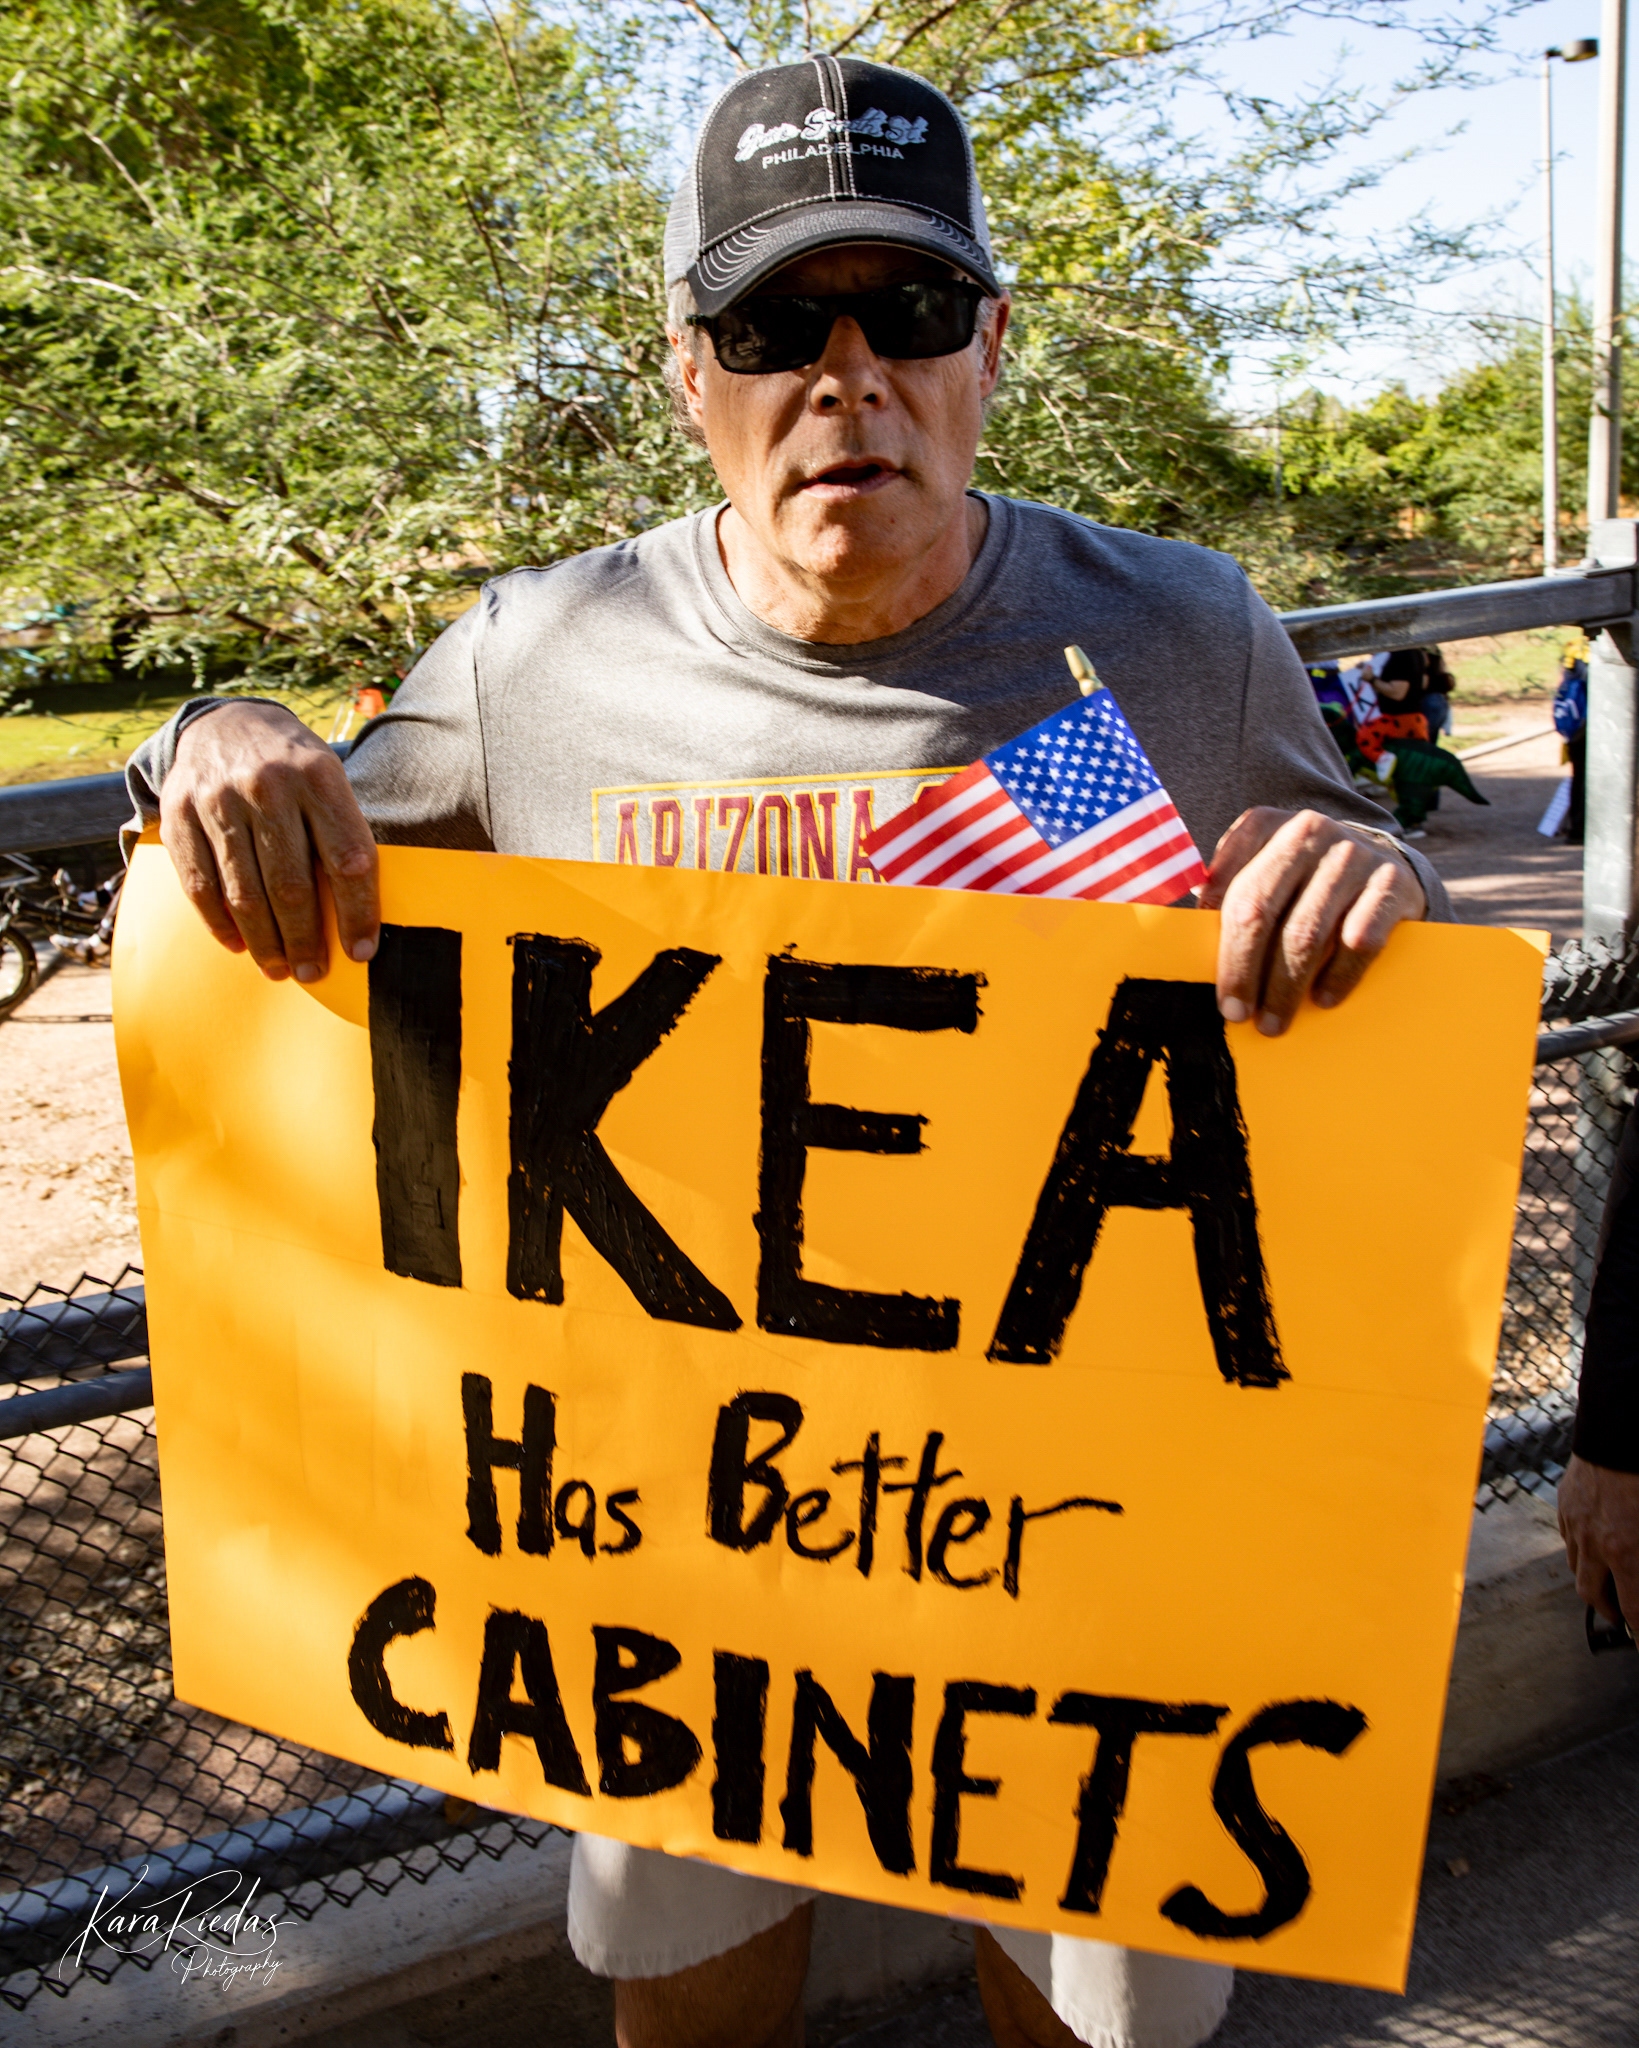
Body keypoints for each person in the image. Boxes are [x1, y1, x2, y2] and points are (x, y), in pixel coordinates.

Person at [125, 55, 1447, 2048]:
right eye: (770, 327)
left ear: (988, 346)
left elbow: (1362, 886)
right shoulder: (537, 660)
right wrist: (208, 737)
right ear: (688, 375)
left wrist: (1373, 874)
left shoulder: (1179, 634)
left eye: (904, 309)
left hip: (1087, 1542)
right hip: (677, 1541)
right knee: (690, 2005)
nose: (846, 378)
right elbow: (279, 859)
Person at [1552, 636, 1589, 845]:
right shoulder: (1595, 652)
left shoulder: (1575, 648)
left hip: (1575, 730)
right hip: (1591, 729)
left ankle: (1576, 827)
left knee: (1579, 777)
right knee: (1588, 779)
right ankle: (1581, 828)